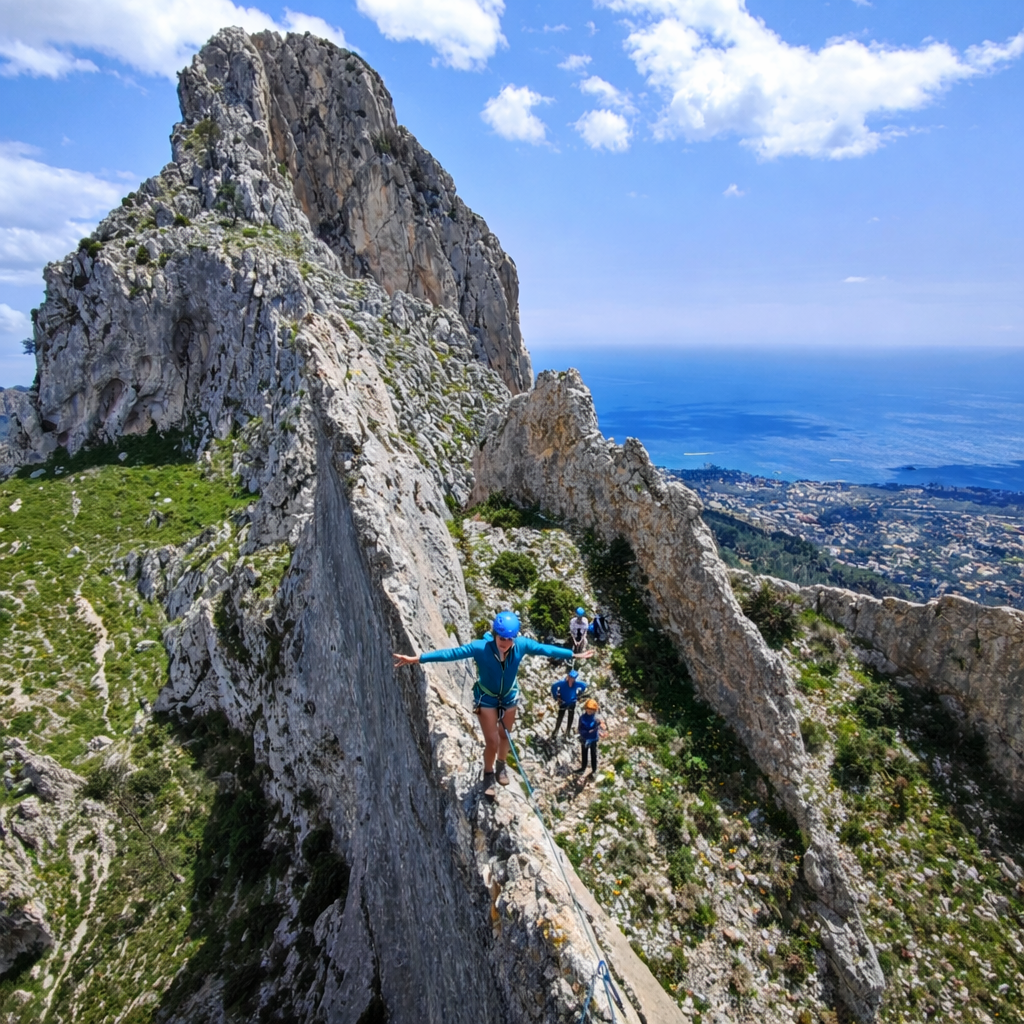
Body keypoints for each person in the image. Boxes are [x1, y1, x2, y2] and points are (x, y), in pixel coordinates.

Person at [393, 611, 592, 799]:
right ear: (495, 635)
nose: (505, 643)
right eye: (502, 638)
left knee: (505, 735)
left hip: (509, 697)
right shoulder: (481, 648)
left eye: (509, 639)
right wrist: (417, 658)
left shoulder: (520, 645)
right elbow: (451, 654)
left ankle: (501, 765)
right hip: (486, 698)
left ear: (514, 637)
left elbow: (543, 649)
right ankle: (488, 775)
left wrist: (573, 655)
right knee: (492, 741)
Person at [549, 668, 587, 741]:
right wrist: (556, 696)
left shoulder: (576, 684)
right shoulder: (562, 683)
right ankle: (556, 731)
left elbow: (584, 685)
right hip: (563, 702)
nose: (571, 680)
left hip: (572, 702)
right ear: (568, 677)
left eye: (573, 679)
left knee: (570, 717)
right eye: (570, 678)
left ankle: (568, 731)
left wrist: (580, 694)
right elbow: (554, 686)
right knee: (560, 717)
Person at [576, 698, 607, 776]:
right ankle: (583, 768)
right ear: (585, 709)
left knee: (593, 754)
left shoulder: (596, 719)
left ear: (595, 710)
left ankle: (594, 770)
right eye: (588, 709)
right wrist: (585, 732)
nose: (589, 711)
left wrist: (601, 732)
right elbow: (580, 728)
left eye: (592, 710)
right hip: (584, 738)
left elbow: (600, 726)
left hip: (593, 738)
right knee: (584, 753)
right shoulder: (582, 718)